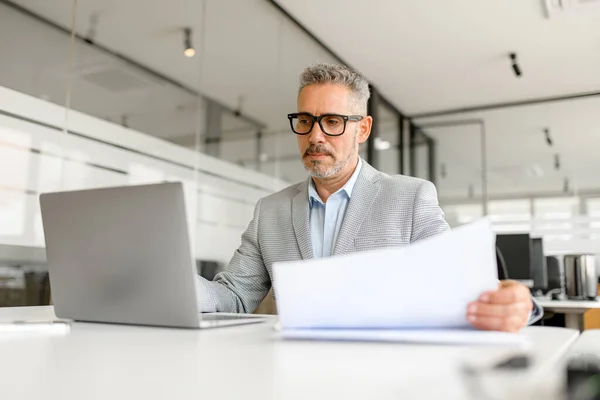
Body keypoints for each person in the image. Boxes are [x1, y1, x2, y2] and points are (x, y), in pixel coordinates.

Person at [198, 63, 542, 332]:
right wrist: (179, 284)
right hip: (291, 371)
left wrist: (515, 304)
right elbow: (234, 297)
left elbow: (457, 288)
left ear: (362, 128)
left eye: (332, 121)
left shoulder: (410, 198)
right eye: (305, 120)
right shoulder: (270, 211)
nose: (315, 135)